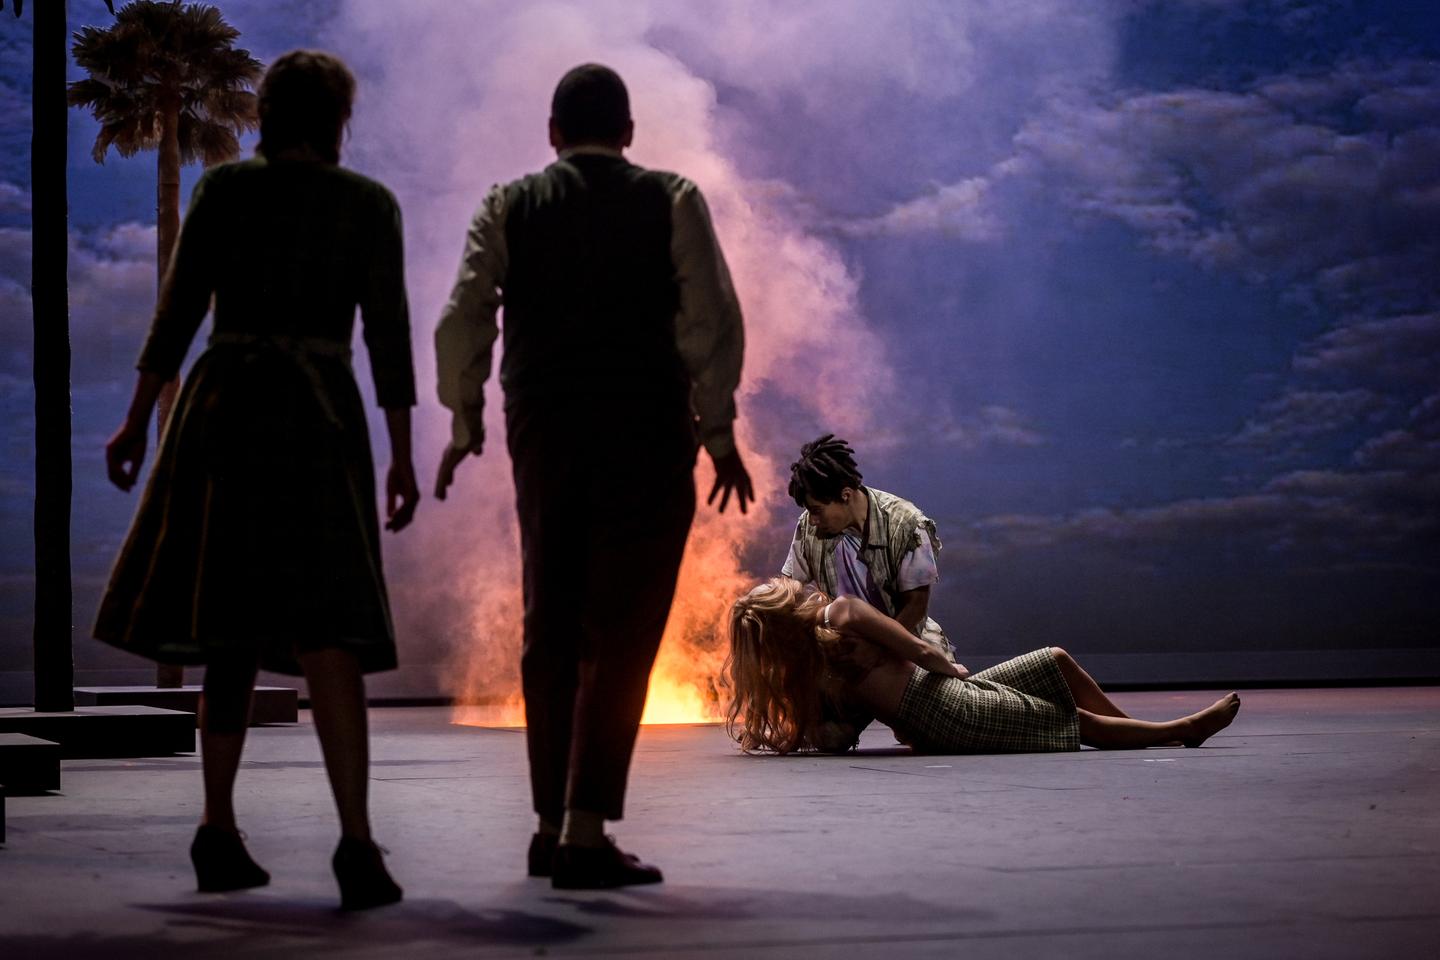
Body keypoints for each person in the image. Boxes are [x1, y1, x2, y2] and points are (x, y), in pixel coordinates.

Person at [94, 50, 413, 910]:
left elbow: (181, 308)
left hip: (226, 410)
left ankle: (217, 828)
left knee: (228, 627)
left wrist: (136, 416)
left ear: (269, 116)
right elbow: (387, 336)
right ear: (337, 120)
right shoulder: (366, 205)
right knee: (332, 628)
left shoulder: (226, 193)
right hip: (318, 420)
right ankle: (355, 842)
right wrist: (405, 453)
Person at [433, 63, 754, 889]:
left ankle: (548, 826)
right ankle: (582, 830)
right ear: (630, 134)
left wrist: (464, 423)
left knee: (553, 617)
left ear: (551, 135)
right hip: (646, 428)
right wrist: (717, 435)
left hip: (543, 425)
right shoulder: (673, 197)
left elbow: (463, 314)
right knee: (623, 628)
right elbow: (711, 319)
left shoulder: (509, 203)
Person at [726, 579, 1241, 755]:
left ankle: (1140, 732)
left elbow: (841, 730)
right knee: (1070, 721)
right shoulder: (841, 612)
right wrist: (956, 673)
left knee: (1054, 663)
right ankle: (1182, 731)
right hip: (944, 699)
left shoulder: (813, 673)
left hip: (932, 717)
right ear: (786, 604)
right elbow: (919, 650)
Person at [781, 435, 957, 751]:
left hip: (906, 642)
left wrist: (879, 652)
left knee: (929, 735)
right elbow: (789, 586)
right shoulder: (809, 524)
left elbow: (916, 604)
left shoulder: (907, 523)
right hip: (844, 650)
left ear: (845, 495)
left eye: (819, 511)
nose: (815, 522)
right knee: (830, 738)